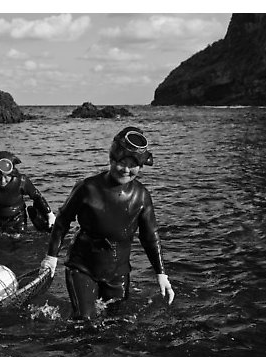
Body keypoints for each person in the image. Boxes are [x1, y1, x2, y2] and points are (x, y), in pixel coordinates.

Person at [39, 126, 175, 319]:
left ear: (141, 166)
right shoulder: (87, 188)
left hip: (118, 273)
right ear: (111, 159)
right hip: (82, 267)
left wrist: (161, 274)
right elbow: (62, 221)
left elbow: (150, 236)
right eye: (121, 162)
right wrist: (51, 257)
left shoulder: (142, 196)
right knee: (85, 321)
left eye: (132, 164)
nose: (126, 169)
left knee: (117, 323)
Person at [0, 151, 56, 233]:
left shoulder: (21, 181)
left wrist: (50, 215)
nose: (3, 181)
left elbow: (37, 197)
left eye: (6, 177)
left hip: (17, 220)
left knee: (19, 243)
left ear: (13, 174)